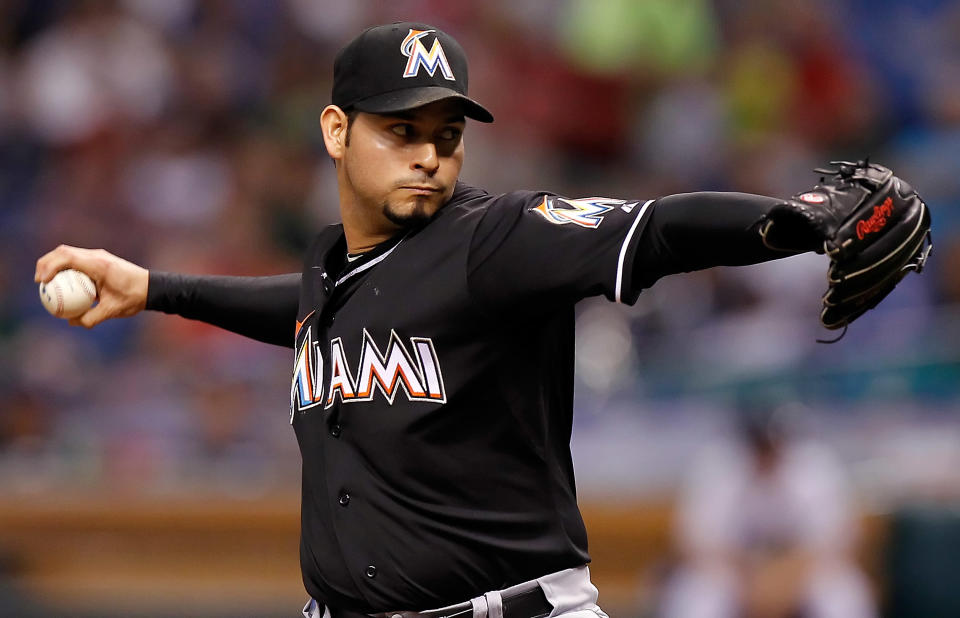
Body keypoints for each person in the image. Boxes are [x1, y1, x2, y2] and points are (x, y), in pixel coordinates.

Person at [32, 22, 890, 618]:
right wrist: (154, 288)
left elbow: (654, 228)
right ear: (336, 130)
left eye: (446, 132)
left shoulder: (496, 241)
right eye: (401, 128)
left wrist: (800, 219)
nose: (429, 153)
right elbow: (298, 309)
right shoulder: (335, 269)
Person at [659, 404, 876, 618]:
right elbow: (697, 545)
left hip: (804, 570)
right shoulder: (718, 465)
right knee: (698, 596)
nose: (766, 451)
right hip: (733, 573)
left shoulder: (815, 465)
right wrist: (751, 581)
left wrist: (781, 580)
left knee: (841, 595)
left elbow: (835, 543)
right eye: (759, 444)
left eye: (772, 443)